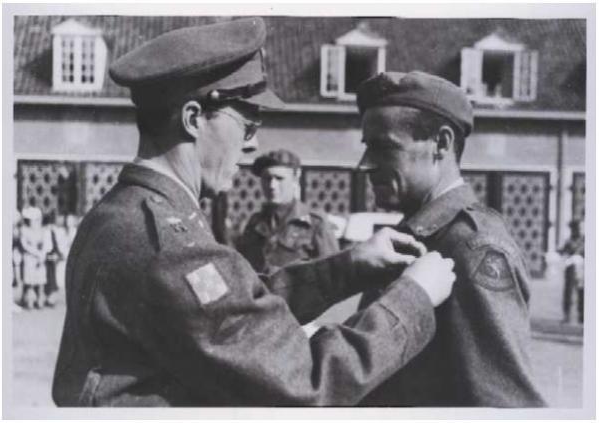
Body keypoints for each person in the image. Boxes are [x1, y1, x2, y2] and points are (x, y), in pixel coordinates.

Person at [52, 18, 457, 407]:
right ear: (193, 119)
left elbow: (228, 314)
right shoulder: (169, 245)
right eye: (247, 126)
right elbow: (303, 381)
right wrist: (413, 299)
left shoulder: (121, 212)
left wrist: (349, 267)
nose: (253, 146)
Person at [355, 71, 547, 407]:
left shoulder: (471, 248)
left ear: (441, 144)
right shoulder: (414, 235)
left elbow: (504, 403)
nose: (364, 165)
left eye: (383, 147)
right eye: (367, 148)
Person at [237, 149, 339, 274]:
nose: (272, 185)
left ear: (296, 178)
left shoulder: (314, 223)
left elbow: (334, 274)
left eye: (279, 179)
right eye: (267, 178)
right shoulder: (255, 222)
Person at [19, 206, 51, 309]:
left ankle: (40, 300)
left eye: (37, 220)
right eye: (32, 220)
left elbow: (48, 245)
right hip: (30, 258)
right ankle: (30, 300)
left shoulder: (45, 231)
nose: (35, 223)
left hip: (40, 259)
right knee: (30, 282)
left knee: (41, 281)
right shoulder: (25, 230)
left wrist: (43, 253)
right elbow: (24, 245)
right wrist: (36, 253)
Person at [559, 219, 585, 324]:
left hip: (581, 269)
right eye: (575, 229)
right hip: (570, 268)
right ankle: (567, 314)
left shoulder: (585, 241)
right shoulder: (568, 241)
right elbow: (563, 251)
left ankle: (582, 315)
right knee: (568, 292)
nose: (577, 231)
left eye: (578, 228)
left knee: (581, 292)